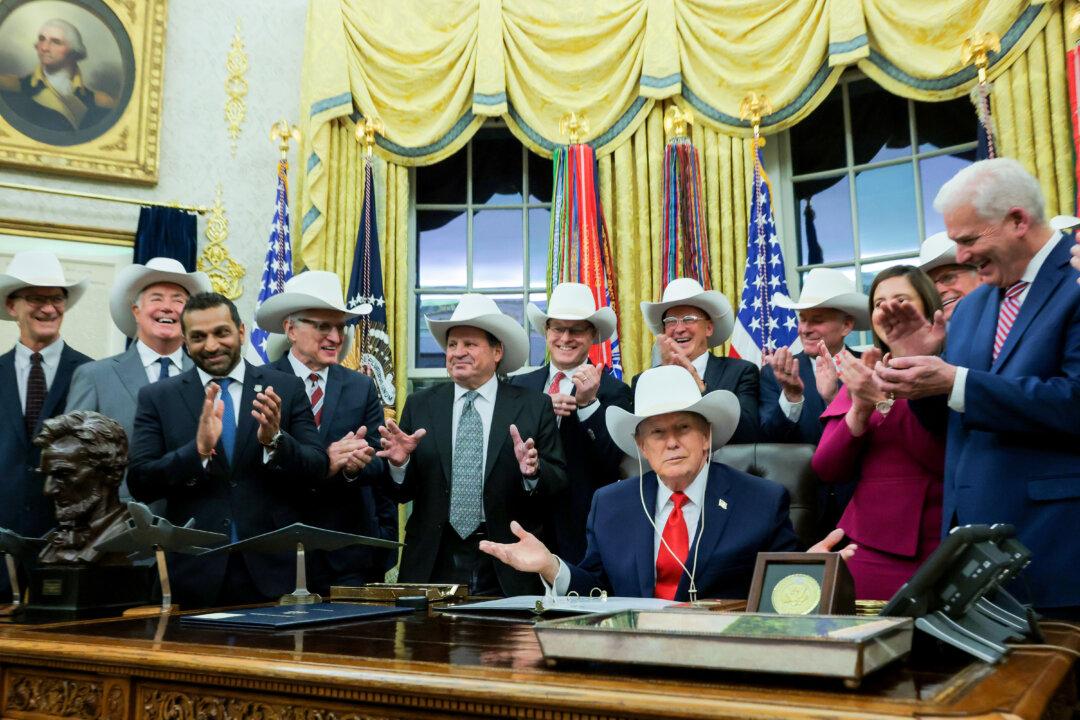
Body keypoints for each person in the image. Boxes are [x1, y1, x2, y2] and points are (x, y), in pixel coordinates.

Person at [873, 158, 1080, 617]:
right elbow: (954, 423)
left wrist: (956, 380)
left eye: (968, 241)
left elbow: (1074, 402)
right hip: (974, 558)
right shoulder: (972, 308)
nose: (962, 257)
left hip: (1057, 548)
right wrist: (916, 372)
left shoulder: (1077, 282)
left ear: (1017, 220)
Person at [480, 365, 854, 601]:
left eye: (683, 428)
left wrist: (803, 574)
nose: (671, 442)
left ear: (706, 436)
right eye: (657, 433)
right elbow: (596, 589)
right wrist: (551, 566)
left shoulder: (762, 499)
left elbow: (773, 601)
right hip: (632, 665)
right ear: (641, 446)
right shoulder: (610, 504)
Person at [127, 292, 328, 608]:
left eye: (221, 332)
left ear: (241, 332)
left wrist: (274, 440)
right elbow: (140, 481)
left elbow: (317, 467)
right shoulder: (158, 397)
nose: (210, 346)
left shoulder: (284, 388)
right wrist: (198, 452)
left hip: (274, 574)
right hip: (193, 576)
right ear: (185, 341)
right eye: (198, 337)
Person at [375, 294, 567, 596]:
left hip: (507, 561)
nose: (457, 352)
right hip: (432, 561)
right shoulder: (420, 405)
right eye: (452, 345)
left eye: (469, 344)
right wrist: (400, 465)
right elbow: (400, 493)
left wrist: (533, 472)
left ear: (497, 351)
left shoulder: (533, 406)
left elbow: (558, 483)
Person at [257, 271, 397, 592]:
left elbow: (377, 465)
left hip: (346, 556)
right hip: (278, 553)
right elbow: (253, 464)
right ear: (290, 328)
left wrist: (353, 466)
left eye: (340, 327)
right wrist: (324, 461)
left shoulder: (360, 387)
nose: (336, 337)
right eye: (323, 326)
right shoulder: (263, 382)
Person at [811, 266, 945, 600]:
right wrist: (859, 408)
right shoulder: (863, 372)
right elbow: (827, 468)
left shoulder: (948, 370)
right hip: (865, 545)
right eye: (879, 303)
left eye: (901, 300)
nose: (887, 310)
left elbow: (938, 458)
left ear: (927, 309)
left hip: (937, 542)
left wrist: (884, 403)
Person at [511, 282, 632, 564]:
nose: (566, 337)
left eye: (576, 329)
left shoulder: (614, 391)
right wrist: (540, 409)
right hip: (522, 527)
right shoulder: (520, 386)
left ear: (592, 335)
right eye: (558, 328)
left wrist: (588, 405)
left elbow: (614, 460)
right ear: (546, 332)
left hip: (582, 533)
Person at [0, 251, 92, 597]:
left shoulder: (91, 374)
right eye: (37, 298)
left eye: (56, 298)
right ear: (12, 306)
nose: (49, 308)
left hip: (66, 544)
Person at [761, 267, 869, 538]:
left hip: (862, 507)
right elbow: (768, 440)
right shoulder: (776, 374)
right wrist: (791, 396)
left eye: (817, 320)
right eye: (803, 319)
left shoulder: (869, 369)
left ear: (846, 325)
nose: (805, 329)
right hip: (798, 514)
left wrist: (836, 397)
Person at [67, 257, 211, 452]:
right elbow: (70, 458)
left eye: (178, 300)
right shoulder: (95, 377)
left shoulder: (209, 380)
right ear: (136, 311)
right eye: (156, 298)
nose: (167, 307)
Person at [636, 278, 759, 443]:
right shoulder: (645, 382)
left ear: (709, 328)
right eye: (671, 322)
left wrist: (697, 383)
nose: (679, 329)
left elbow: (750, 433)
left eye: (689, 319)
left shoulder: (741, 372)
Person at [35, 411, 132, 565]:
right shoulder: (55, 541)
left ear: (108, 470)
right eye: (46, 476)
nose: (48, 490)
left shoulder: (131, 536)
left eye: (64, 474)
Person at [0, 19, 116, 133]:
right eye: (41, 39)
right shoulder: (12, 88)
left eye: (55, 42)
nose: (44, 48)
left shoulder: (100, 102)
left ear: (74, 51)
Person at [917, 232, 980, 321]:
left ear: (980, 276)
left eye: (948, 278)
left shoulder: (1005, 317)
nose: (939, 291)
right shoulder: (936, 334)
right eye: (931, 286)